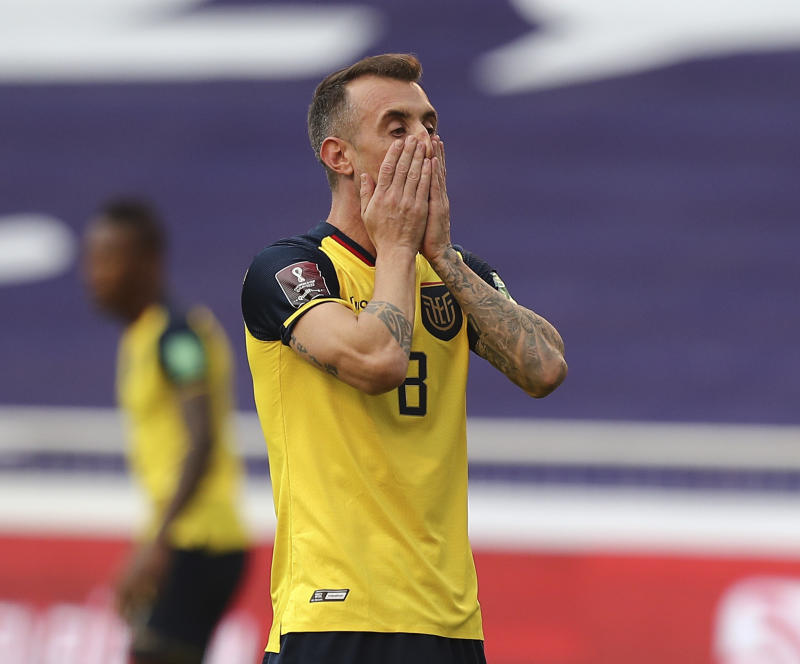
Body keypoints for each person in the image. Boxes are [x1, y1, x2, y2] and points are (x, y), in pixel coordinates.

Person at [241, 53, 567, 664]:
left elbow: (545, 369)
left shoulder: (450, 269)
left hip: (448, 622)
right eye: (398, 127)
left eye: (431, 124)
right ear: (339, 155)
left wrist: (440, 255)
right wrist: (396, 244)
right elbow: (379, 361)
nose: (425, 141)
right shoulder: (291, 269)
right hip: (334, 617)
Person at [83, 198, 249, 664]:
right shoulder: (143, 335)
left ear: (148, 260)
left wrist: (157, 543)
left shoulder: (177, 336)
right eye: (93, 258)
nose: (95, 273)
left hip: (201, 542)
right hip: (183, 537)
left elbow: (200, 440)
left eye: (109, 257)